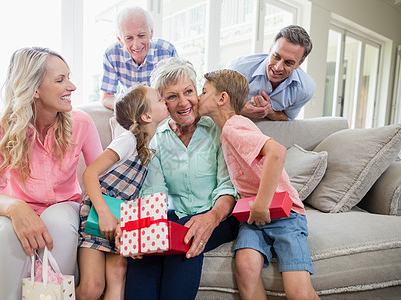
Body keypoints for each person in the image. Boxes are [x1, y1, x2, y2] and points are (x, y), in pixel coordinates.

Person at [0, 47, 103, 299]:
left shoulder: (81, 123)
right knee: (6, 228)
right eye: (60, 80)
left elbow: (104, 179)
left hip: (63, 207)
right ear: (34, 89)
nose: (72, 86)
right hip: (5, 209)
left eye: (69, 77)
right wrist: (15, 208)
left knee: (59, 222)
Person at [198, 69, 319, 300]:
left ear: (222, 98)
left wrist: (262, 204)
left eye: (203, 92)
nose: (198, 98)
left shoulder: (234, 126)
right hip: (253, 216)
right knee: (245, 267)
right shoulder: (226, 128)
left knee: (299, 293)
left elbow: (277, 151)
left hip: (284, 214)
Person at [124, 57, 239, 300]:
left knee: (184, 240)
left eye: (189, 92)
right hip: (174, 217)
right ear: (163, 103)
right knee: (147, 251)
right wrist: (144, 233)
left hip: (218, 215)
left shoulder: (217, 129)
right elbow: (155, 192)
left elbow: (227, 186)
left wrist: (211, 218)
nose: (184, 101)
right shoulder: (157, 138)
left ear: (198, 93)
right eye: (172, 96)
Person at [76, 84, 169, 300]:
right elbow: (90, 174)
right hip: (98, 214)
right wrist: (105, 215)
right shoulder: (127, 139)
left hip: (121, 221)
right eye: (158, 98)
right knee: (92, 288)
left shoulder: (148, 149)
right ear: (146, 116)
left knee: (118, 275)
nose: (164, 100)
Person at [228, 25, 315, 121]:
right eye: (276, 56)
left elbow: (288, 117)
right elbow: (212, 104)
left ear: (299, 64)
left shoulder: (305, 89)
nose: (278, 67)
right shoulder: (238, 68)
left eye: (288, 62)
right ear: (270, 50)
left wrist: (268, 111)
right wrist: (242, 110)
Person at [100, 6, 178, 110]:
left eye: (141, 35)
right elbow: (107, 96)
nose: (136, 45)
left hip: (161, 110)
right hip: (130, 113)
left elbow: (177, 91)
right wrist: (127, 108)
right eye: (129, 38)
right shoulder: (111, 54)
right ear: (120, 39)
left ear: (151, 33)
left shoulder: (167, 51)